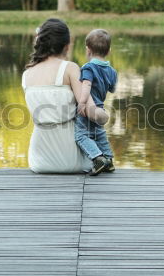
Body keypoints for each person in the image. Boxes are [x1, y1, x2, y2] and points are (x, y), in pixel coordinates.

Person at [21, 19, 108, 174]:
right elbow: (92, 112)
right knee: (96, 130)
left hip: (40, 161)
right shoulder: (70, 68)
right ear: (67, 45)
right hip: (72, 158)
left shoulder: (27, 75)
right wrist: (105, 116)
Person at [74, 29, 117, 175]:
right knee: (99, 134)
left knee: (81, 135)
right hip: (100, 108)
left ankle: (97, 158)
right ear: (109, 51)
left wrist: (82, 102)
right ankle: (109, 160)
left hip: (88, 109)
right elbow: (112, 88)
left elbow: (86, 85)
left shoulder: (88, 68)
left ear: (88, 50)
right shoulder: (112, 71)